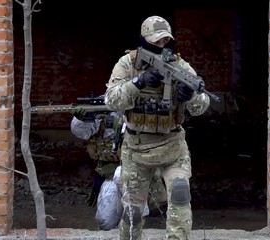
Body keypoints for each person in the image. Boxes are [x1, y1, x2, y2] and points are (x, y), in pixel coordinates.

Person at [104, 16, 210, 240]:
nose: (161, 46)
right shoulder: (127, 64)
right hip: (136, 148)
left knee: (180, 194)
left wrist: (191, 96)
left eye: (165, 41)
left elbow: (201, 106)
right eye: (156, 41)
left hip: (173, 146)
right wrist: (138, 83)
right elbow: (111, 100)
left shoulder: (180, 65)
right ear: (143, 39)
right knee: (132, 210)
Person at [70, 104, 167, 230]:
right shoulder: (104, 105)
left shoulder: (144, 103)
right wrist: (80, 119)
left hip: (143, 176)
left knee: (122, 174)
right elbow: (82, 133)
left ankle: (135, 221)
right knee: (105, 221)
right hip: (111, 174)